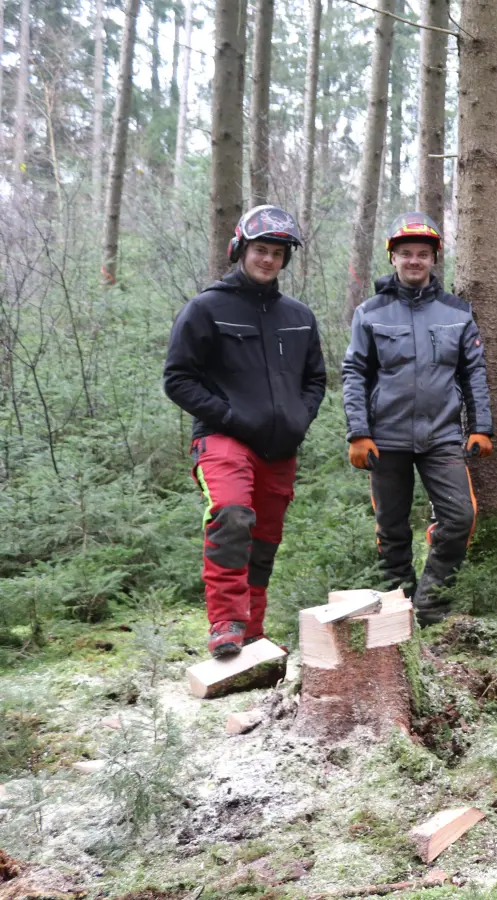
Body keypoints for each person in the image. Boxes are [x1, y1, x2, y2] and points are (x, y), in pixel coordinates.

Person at [163, 205, 327, 659]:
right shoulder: (206, 307)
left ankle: (251, 630)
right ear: (241, 249)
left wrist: (299, 417)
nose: (268, 259)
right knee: (233, 516)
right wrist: (230, 417)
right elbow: (177, 378)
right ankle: (225, 621)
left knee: (266, 539)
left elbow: (316, 379)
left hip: (280, 446)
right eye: (260, 250)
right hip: (223, 438)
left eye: (277, 252)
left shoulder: (298, 316)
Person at [342, 212, 493, 625]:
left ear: (433, 259)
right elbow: (354, 372)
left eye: (422, 254)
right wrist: (358, 432)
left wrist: (481, 427)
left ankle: (430, 601)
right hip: (384, 437)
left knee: (461, 516)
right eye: (406, 253)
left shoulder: (456, 311)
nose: (414, 261)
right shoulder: (369, 312)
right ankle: (397, 600)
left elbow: (473, 371)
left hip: (442, 435)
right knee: (391, 527)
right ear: (393, 257)